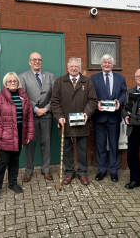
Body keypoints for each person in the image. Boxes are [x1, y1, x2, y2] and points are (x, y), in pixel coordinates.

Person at [50, 58, 98, 186]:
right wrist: (59, 116)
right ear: (67, 67)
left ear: (80, 67)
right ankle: (69, 172)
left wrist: (86, 113)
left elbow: (93, 101)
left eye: (76, 66)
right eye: (71, 66)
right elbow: (54, 102)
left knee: (82, 149)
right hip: (65, 122)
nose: (74, 68)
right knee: (67, 148)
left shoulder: (87, 82)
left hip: (82, 122)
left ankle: (82, 172)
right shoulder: (60, 81)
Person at [0, 72, 35, 201]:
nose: (13, 83)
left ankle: (13, 183)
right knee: (2, 162)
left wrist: (29, 134)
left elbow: (29, 117)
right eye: (10, 81)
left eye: (15, 81)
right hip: (5, 137)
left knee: (15, 160)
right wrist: (0, 133)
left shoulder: (23, 97)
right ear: (5, 83)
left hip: (20, 135)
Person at [19, 52, 55, 182]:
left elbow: (55, 96)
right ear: (29, 62)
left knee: (46, 143)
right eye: (34, 59)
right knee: (30, 144)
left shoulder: (51, 76)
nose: (37, 61)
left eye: (39, 59)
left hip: (47, 115)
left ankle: (46, 170)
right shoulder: (22, 77)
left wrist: (45, 109)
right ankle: (29, 170)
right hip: (30, 116)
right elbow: (23, 96)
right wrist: (35, 109)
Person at [91, 54, 127, 183]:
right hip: (99, 117)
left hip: (114, 117)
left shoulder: (120, 78)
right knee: (100, 145)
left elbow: (124, 93)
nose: (107, 64)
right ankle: (101, 170)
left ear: (112, 64)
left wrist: (120, 102)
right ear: (101, 64)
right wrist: (96, 104)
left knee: (113, 145)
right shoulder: (94, 78)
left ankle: (113, 171)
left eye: (109, 62)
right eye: (105, 62)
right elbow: (91, 95)